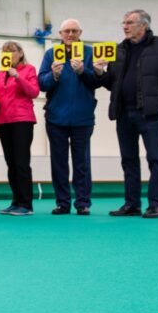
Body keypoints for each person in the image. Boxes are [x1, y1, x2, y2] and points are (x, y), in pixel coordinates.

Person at [94, 10, 158, 218]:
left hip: (149, 113)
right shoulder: (118, 50)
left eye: (129, 23)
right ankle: (132, 204)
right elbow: (112, 83)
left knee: (155, 159)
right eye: (124, 23)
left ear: (143, 25)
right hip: (123, 113)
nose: (125, 26)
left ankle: (155, 205)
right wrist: (100, 72)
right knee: (128, 160)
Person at [37, 19, 100, 216]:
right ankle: (62, 203)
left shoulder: (90, 53)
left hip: (83, 117)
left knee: (82, 163)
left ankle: (83, 203)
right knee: (59, 162)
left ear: (80, 32)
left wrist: (84, 72)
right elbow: (42, 83)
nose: (70, 34)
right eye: (67, 31)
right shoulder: (50, 54)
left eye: (74, 31)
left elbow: (99, 81)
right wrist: (54, 76)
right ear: (60, 34)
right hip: (56, 118)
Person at [0, 41, 39, 216]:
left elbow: (34, 92)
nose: (9, 54)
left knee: (21, 163)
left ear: (20, 53)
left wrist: (18, 77)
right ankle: (15, 201)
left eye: (12, 51)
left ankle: (26, 204)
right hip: (4, 121)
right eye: (5, 51)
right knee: (11, 164)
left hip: (22, 120)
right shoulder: (0, 73)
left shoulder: (29, 70)